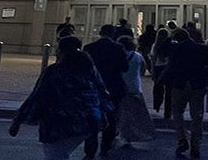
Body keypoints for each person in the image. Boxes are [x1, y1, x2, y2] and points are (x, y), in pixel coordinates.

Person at [9, 36, 113, 160]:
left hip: (59, 122)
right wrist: (105, 113)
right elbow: (101, 90)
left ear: (61, 51)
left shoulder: (54, 71)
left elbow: (38, 95)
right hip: (87, 119)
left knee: (55, 154)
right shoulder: (88, 68)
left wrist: (18, 120)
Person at [159, 28, 208, 159]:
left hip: (179, 84)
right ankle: (195, 144)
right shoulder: (202, 48)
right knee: (197, 115)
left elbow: (162, 52)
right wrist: (206, 80)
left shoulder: (175, 49)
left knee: (177, 112)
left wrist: (169, 37)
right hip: (197, 85)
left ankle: (182, 137)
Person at [83, 25, 127, 159]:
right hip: (113, 86)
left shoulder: (89, 48)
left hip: (93, 86)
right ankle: (106, 145)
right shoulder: (118, 48)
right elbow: (125, 67)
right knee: (112, 116)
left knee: (92, 116)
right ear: (113, 34)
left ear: (101, 33)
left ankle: (90, 149)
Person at [116, 35, 154, 145]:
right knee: (134, 111)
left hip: (121, 86)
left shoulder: (118, 56)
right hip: (135, 86)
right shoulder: (137, 56)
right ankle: (133, 133)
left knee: (121, 110)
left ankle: (122, 132)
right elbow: (143, 68)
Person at [150, 28, 173, 118]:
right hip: (168, 68)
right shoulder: (171, 45)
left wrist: (152, 71)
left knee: (157, 88)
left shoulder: (155, 45)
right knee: (169, 91)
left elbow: (153, 59)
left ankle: (157, 105)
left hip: (158, 68)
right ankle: (168, 111)